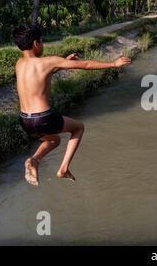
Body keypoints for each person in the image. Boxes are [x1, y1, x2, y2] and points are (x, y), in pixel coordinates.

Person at [13, 24, 131, 186]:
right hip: (43, 118)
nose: (42, 44)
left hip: (25, 121)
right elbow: (86, 65)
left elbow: (38, 76)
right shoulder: (48, 61)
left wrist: (63, 62)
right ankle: (63, 169)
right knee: (78, 128)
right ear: (36, 43)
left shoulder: (19, 64)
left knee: (53, 141)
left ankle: (33, 160)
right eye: (42, 41)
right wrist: (113, 64)